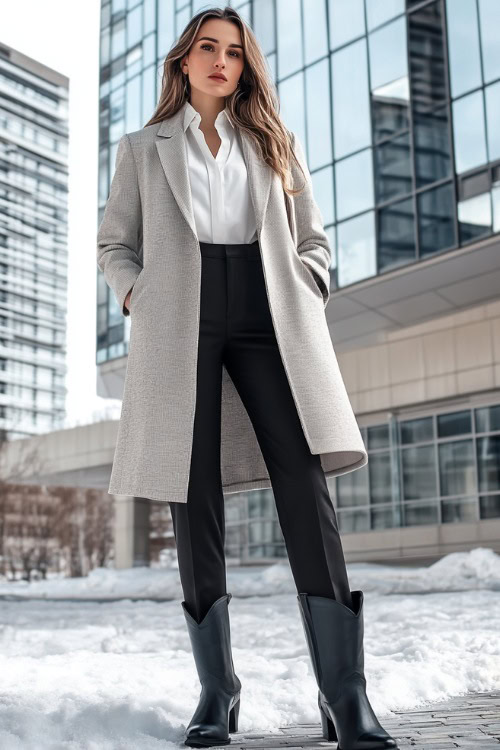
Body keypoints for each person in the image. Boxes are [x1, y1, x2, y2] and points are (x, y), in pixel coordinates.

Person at [97, 6, 398, 750]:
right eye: (208, 47)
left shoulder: (273, 141)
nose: (222, 61)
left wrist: (308, 284)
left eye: (235, 51)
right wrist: (136, 292)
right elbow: (114, 242)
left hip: (270, 315)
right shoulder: (141, 148)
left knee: (305, 485)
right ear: (183, 61)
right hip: (179, 320)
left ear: (246, 66)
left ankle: (345, 695)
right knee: (191, 494)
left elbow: (315, 238)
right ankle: (217, 691)